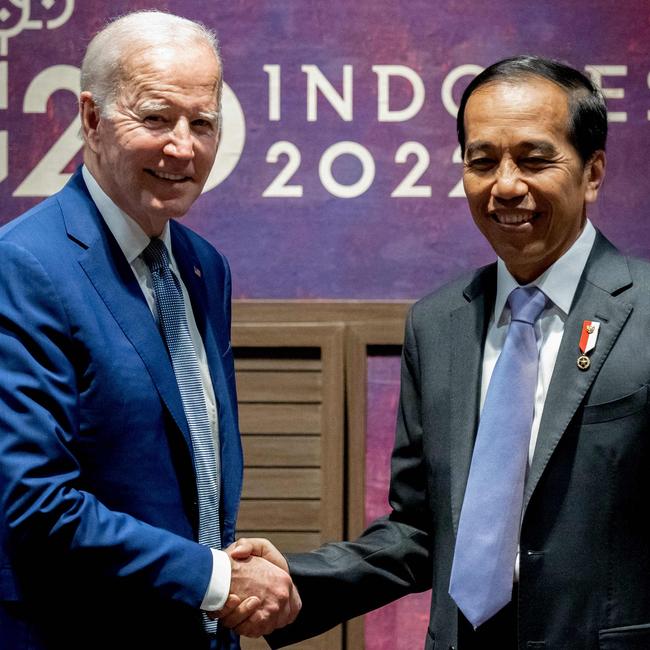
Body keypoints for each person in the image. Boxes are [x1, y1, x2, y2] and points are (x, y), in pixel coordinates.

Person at [223, 55, 650, 649]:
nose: (505, 186)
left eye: (533, 159)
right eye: (482, 162)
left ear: (593, 172)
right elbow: (420, 530)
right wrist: (295, 578)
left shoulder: (645, 310)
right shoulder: (439, 322)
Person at [0, 11, 298, 650]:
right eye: (156, 118)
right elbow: (34, 504)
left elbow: (194, 465)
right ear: (90, 119)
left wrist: (224, 574)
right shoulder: (23, 265)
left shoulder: (202, 265)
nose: (183, 147)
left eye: (204, 123)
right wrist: (218, 578)